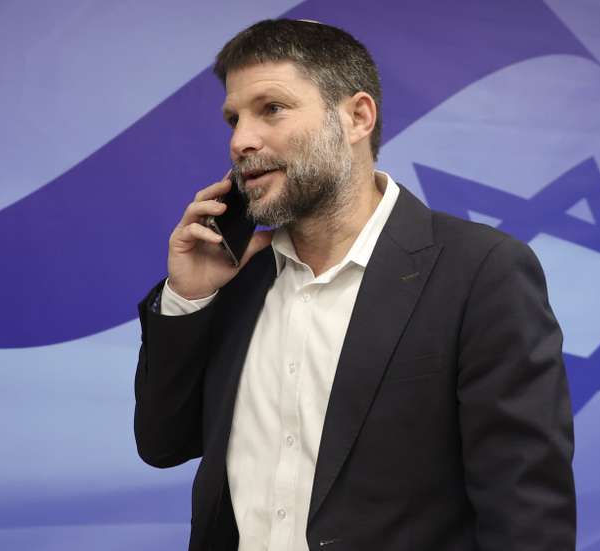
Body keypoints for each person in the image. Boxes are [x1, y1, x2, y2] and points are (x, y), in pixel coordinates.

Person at [134, 18, 575, 551]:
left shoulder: (481, 270)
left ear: (357, 117)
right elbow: (162, 444)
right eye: (233, 119)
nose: (241, 141)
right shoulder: (235, 279)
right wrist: (190, 298)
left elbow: (526, 514)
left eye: (271, 109)